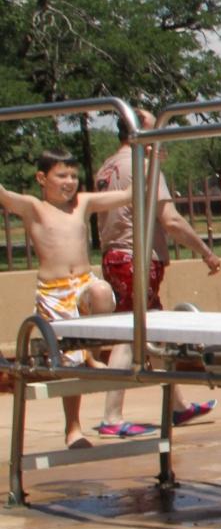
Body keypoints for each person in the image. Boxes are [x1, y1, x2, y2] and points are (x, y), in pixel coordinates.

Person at [92, 109, 221, 437]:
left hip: (115, 254)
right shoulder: (144, 165)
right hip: (136, 256)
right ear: (139, 134)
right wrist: (205, 252)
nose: (159, 138)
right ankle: (111, 416)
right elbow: (171, 220)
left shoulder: (107, 165)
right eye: (155, 130)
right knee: (131, 330)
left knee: (156, 328)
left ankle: (177, 406)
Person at [0, 151, 130, 449]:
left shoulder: (82, 203)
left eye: (73, 175)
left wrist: (149, 158)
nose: (70, 182)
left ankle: (94, 355)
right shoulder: (35, 208)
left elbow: (126, 195)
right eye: (62, 175)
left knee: (101, 292)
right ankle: (73, 427)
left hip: (83, 283)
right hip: (54, 292)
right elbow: (4, 196)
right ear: (42, 178)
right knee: (70, 360)